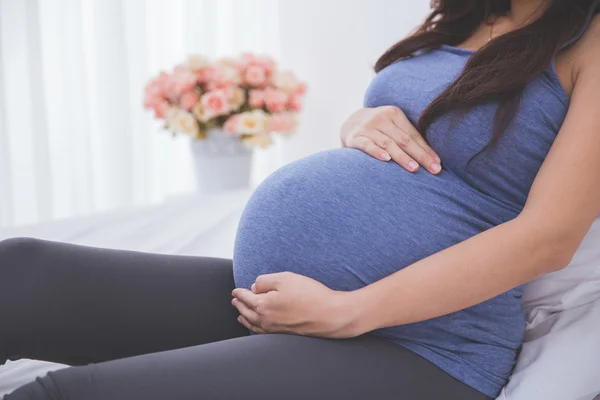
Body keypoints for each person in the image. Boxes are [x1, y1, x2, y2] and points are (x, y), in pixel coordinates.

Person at [2, 1, 600, 399]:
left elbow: (549, 236)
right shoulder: (464, 14)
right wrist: (357, 122)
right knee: (18, 273)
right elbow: (419, 128)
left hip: (423, 347)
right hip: (284, 304)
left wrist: (349, 310)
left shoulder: (589, 39)